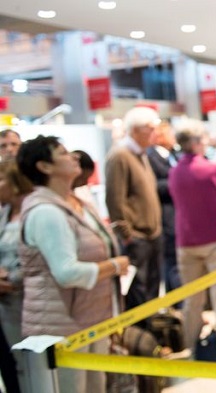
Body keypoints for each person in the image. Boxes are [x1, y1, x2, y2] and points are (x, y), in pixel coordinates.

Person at [17, 136, 129, 393]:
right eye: (64, 153)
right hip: (60, 327)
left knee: (96, 387)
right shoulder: (46, 212)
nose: (74, 157)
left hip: (92, 318)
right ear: (44, 167)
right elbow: (66, 272)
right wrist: (113, 266)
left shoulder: (79, 204)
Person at [168, 119, 216, 363]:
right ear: (195, 142)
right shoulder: (212, 169)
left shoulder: (174, 172)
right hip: (215, 239)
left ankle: (191, 350)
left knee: (192, 300)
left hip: (186, 240)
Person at [105, 107, 163, 311]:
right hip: (137, 237)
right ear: (136, 130)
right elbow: (115, 199)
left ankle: (152, 336)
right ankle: (140, 337)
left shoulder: (141, 155)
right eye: (150, 128)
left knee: (152, 289)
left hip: (151, 234)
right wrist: (127, 235)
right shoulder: (120, 156)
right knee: (138, 291)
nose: (154, 133)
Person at [0, 160, 33, 393]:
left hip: (28, 303)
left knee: (29, 366)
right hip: (5, 308)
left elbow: (39, 260)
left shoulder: (33, 213)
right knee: (11, 366)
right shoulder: (4, 214)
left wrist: (13, 279)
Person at [147, 122, 182, 299]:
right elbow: (153, 186)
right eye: (170, 133)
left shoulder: (173, 154)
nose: (173, 136)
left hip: (178, 213)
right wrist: (179, 183)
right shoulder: (151, 156)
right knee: (171, 260)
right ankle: (176, 301)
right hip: (166, 215)